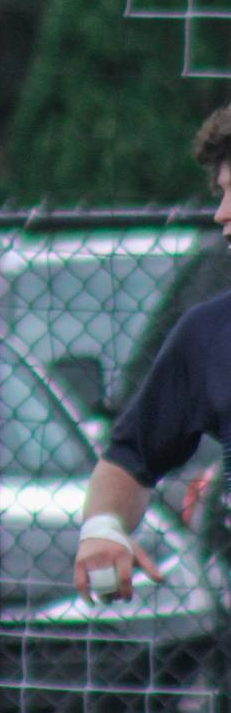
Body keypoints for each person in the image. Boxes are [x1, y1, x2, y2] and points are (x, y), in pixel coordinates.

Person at [74, 102, 231, 604]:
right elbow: (131, 457)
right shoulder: (208, 334)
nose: (222, 214)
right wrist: (103, 529)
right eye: (222, 193)